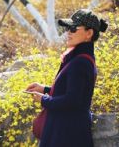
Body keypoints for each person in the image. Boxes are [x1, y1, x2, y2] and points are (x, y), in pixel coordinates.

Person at [25, 9, 108, 147]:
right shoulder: (78, 59)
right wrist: (44, 89)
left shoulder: (80, 62)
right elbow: (73, 92)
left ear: (89, 33)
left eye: (74, 28)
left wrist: (43, 99)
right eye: (68, 28)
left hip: (67, 135)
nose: (69, 32)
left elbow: (72, 101)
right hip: (67, 131)